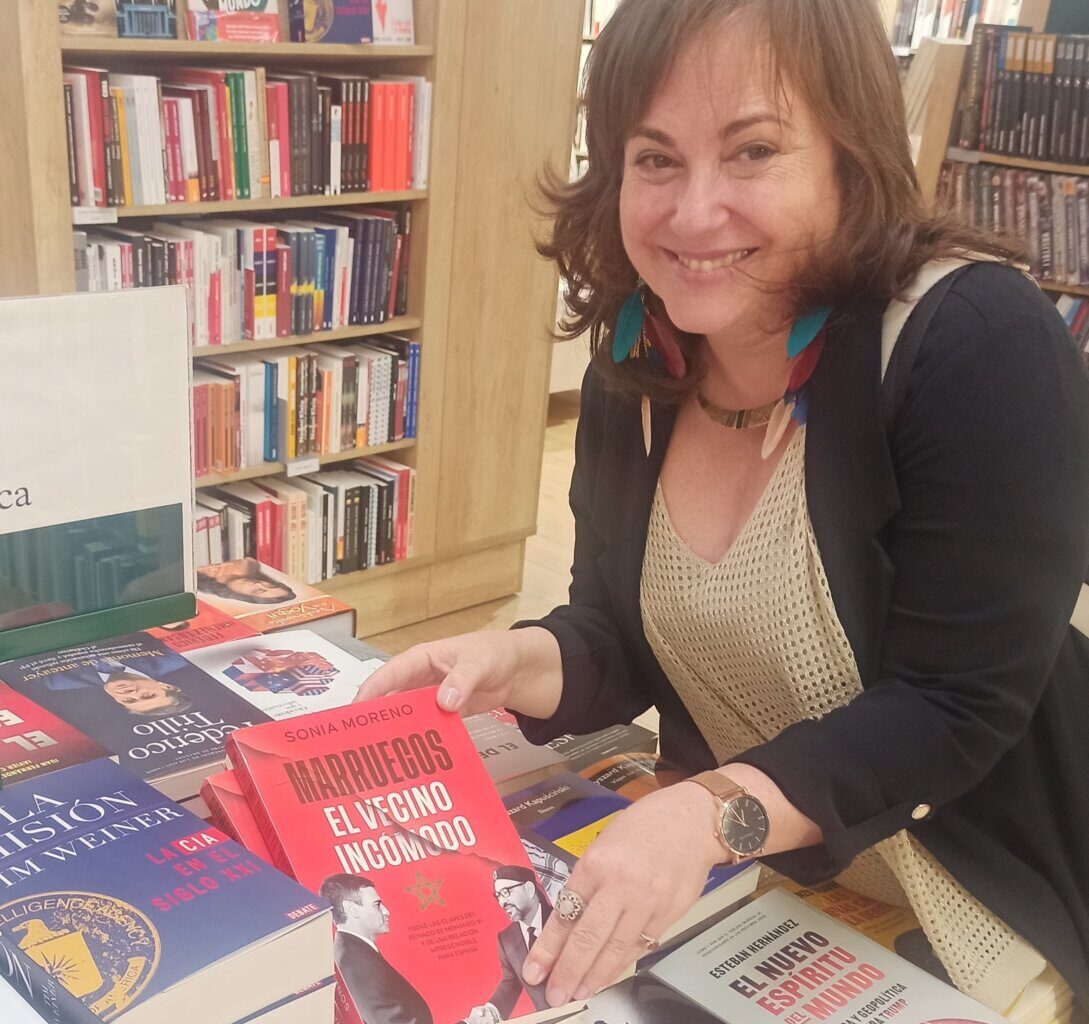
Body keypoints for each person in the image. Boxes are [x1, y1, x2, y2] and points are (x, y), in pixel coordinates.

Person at [356, 0, 1089, 1018]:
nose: (694, 215)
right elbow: (615, 634)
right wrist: (514, 658)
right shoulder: (636, 356)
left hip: (969, 900)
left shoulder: (972, 342)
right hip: (741, 898)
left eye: (752, 152)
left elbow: (954, 709)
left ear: (848, 155)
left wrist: (706, 816)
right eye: (655, 160)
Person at [317, 874, 434, 1024]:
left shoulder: (356, 951)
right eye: (376, 904)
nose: (386, 911)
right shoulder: (354, 961)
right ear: (351, 908)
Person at [465, 866, 554, 1023]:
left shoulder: (560, 919)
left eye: (506, 892)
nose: (502, 902)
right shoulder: (506, 938)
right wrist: (490, 1011)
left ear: (529, 889)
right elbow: (512, 982)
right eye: (498, 895)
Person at [42, 659, 194, 716]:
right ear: (166, 686)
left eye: (128, 700)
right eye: (147, 695)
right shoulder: (172, 658)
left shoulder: (56, 681)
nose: (131, 693)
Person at [196, 557, 296, 605]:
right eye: (269, 585)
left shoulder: (201, 586)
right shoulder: (249, 565)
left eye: (258, 590)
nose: (258, 584)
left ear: (245, 597)